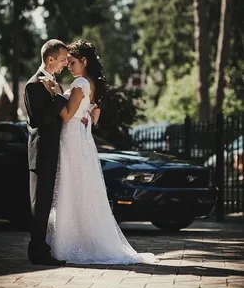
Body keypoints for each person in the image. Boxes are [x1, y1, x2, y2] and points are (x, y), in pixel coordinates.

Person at [42, 39, 156, 264]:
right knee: (82, 189)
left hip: (72, 139)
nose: (69, 66)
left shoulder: (80, 83)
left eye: (73, 62)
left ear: (84, 61)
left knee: (70, 188)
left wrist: (55, 92)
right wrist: (90, 115)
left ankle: (71, 244)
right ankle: (86, 238)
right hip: (83, 140)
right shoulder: (92, 84)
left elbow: (65, 115)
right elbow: (94, 112)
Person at [24, 39, 87, 266]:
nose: (64, 65)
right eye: (62, 60)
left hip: (54, 152)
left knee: (46, 204)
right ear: (50, 59)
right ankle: (37, 252)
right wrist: (59, 96)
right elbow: (38, 120)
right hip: (41, 155)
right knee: (39, 206)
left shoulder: (52, 83)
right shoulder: (33, 85)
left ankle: (42, 247)